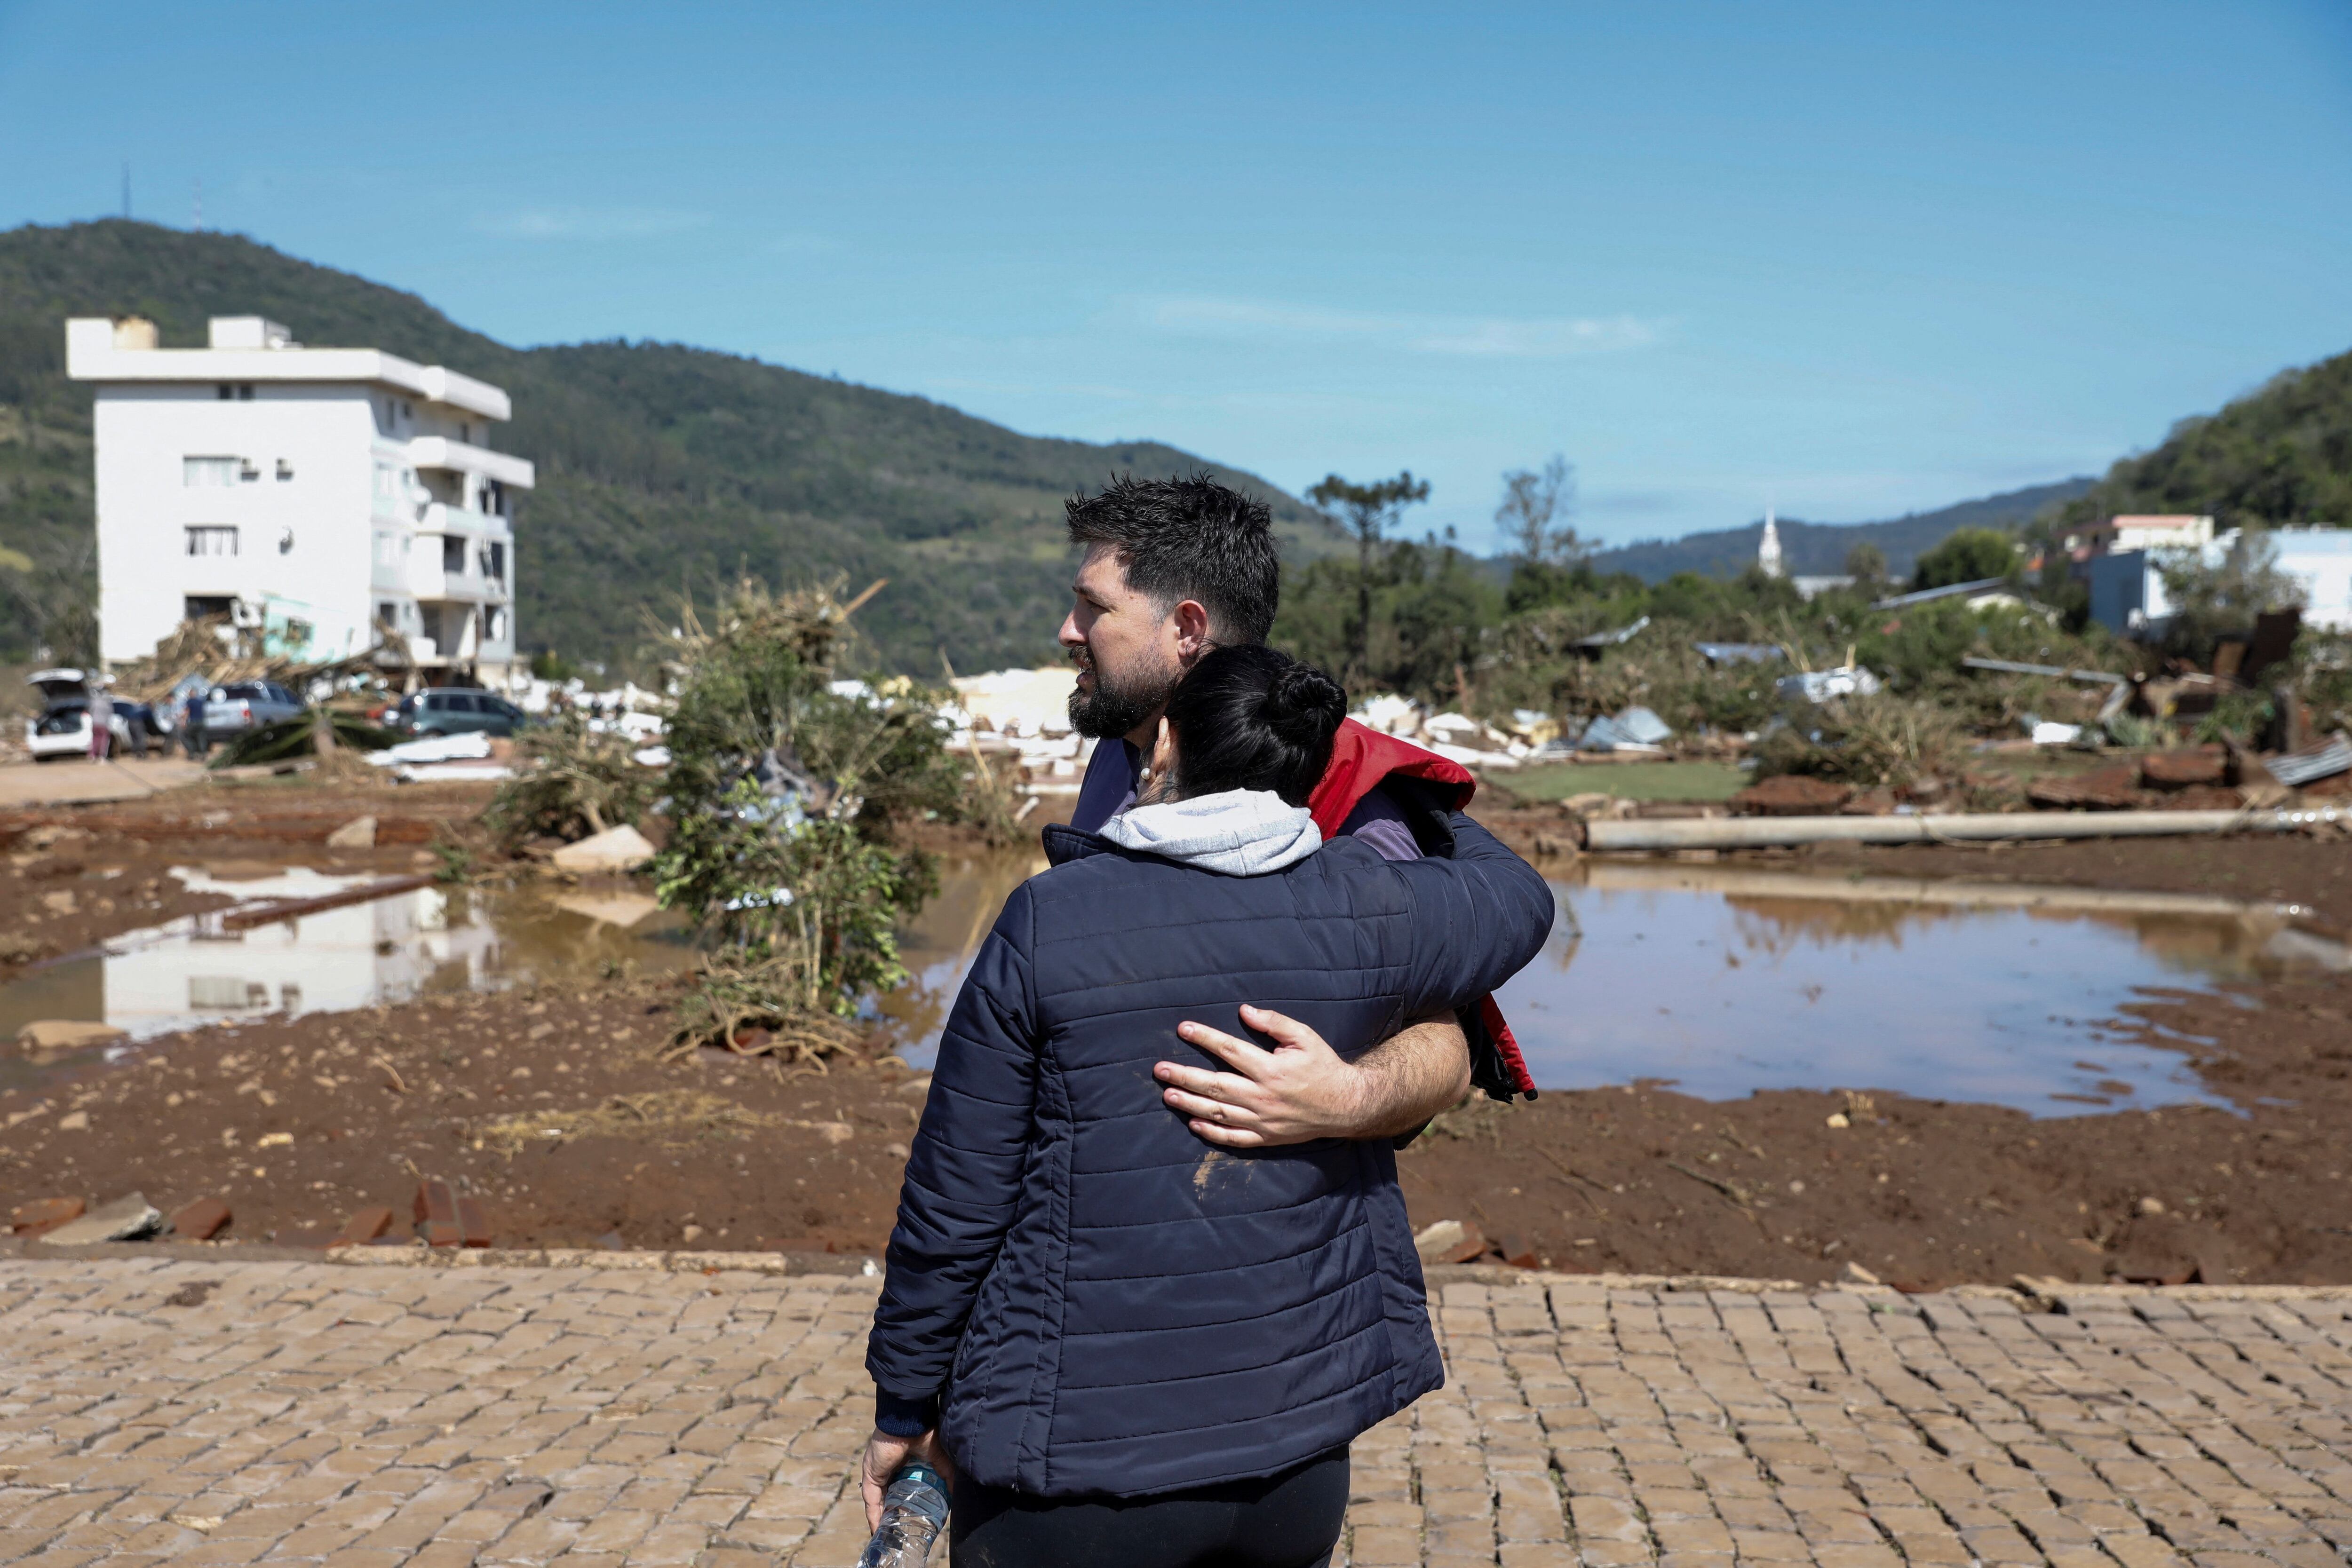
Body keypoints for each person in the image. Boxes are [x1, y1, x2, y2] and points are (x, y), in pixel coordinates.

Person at [865, 644, 1554, 1566]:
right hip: (1292, 1465)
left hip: (1072, 1475)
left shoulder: (1050, 920)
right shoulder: (1373, 909)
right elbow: (1517, 898)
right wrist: (1419, 792)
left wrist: (904, 1405)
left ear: (1164, 745)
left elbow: (956, 1196)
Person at [1057, 475, 1535, 1148]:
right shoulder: (1122, 747)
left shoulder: (1344, 789)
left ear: (1187, 629)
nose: (1067, 630)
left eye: (1092, 607)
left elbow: (1444, 1049)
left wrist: (1348, 1097)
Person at [86, 680, 111, 763]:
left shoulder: (94, 702)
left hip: (95, 724)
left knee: (95, 740)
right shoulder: (107, 703)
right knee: (104, 741)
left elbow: (90, 711)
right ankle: (102, 756)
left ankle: (92, 755)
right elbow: (110, 713)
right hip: (104, 724)